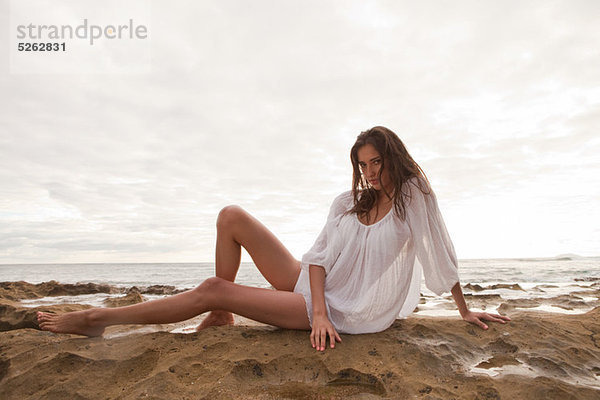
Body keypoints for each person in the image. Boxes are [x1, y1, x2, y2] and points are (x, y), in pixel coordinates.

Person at [38, 126, 510, 351]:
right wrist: (316, 306)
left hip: (352, 309)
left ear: (394, 157)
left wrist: (465, 310)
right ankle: (222, 315)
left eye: (376, 162)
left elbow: (441, 254)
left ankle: (96, 317)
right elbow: (321, 258)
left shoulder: (414, 197)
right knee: (231, 216)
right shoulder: (349, 202)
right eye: (362, 164)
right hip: (317, 290)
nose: (368, 173)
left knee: (211, 287)